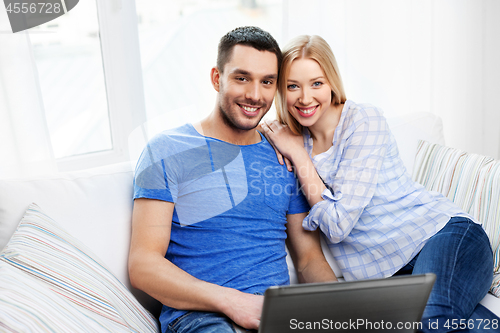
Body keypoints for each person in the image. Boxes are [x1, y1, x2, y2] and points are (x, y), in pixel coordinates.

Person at [260, 34, 496, 332]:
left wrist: (297, 153)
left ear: (332, 81)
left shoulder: (363, 121)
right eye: (293, 86)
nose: (305, 98)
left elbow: (338, 225)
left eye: (316, 83)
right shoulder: (292, 144)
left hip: (442, 237)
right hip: (387, 276)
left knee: (431, 322)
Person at [128, 27, 337, 333]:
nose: (255, 94)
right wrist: (232, 302)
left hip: (277, 317)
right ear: (217, 78)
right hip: (203, 317)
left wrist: (340, 312)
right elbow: (143, 265)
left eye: (267, 82)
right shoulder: (166, 150)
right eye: (242, 78)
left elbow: (307, 259)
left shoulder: (283, 155)